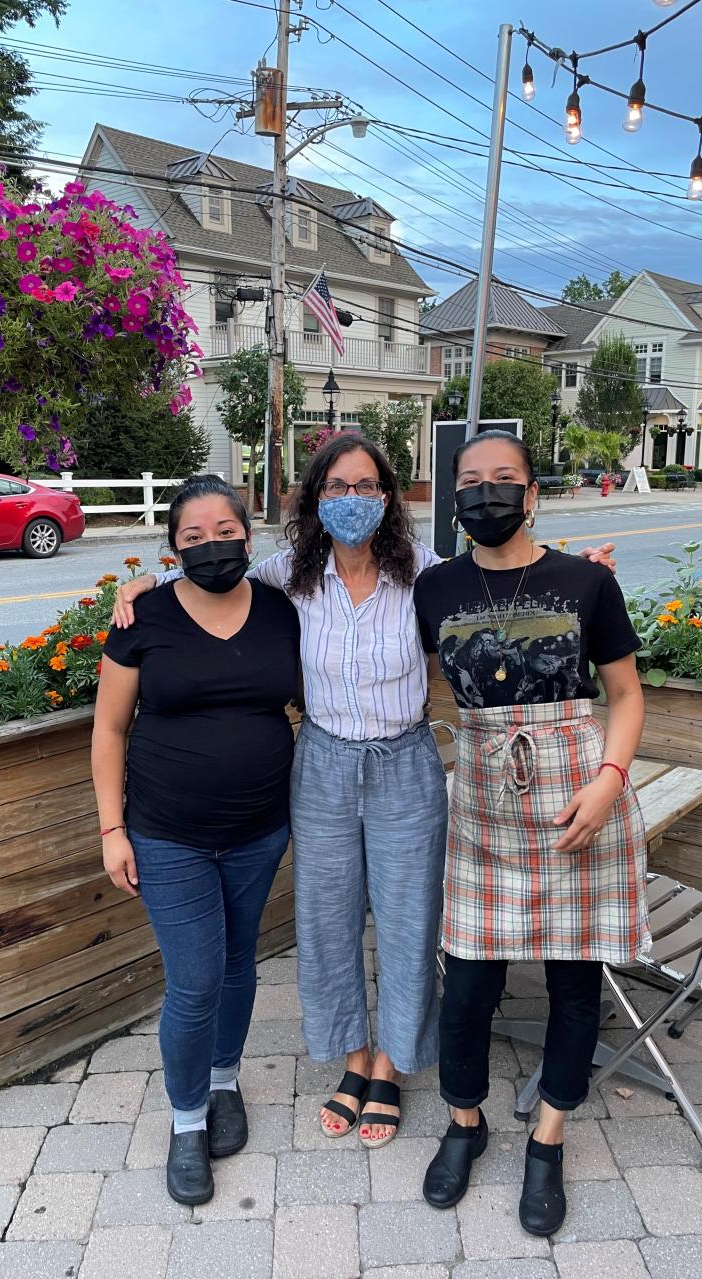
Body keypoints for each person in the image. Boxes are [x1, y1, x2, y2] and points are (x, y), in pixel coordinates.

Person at [113, 434, 616, 1150]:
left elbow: (502, 588)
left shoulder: (428, 577)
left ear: (388, 496)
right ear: (316, 499)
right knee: (326, 920)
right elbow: (206, 586)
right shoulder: (285, 576)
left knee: (410, 921)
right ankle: (352, 1057)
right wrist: (138, 587)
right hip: (319, 764)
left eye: (366, 486)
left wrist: (581, 571)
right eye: (338, 487)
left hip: (405, 762)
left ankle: (391, 1062)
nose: (353, 501)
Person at [413, 431, 649, 1237]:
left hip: (578, 794)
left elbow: (625, 694)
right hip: (482, 797)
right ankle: (465, 1121)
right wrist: (151, 589)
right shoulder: (434, 587)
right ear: (455, 498)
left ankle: (548, 1138)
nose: (486, 494)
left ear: (533, 492)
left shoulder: (587, 581)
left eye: (503, 480)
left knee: (573, 985)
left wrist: (609, 783)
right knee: (469, 983)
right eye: (471, 482)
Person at [92, 475, 300, 1206]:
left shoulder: (281, 609)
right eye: (192, 539)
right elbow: (109, 729)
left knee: (240, 963)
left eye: (225, 532)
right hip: (166, 834)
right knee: (196, 979)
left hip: (260, 829)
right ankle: (185, 1121)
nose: (212, 547)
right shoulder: (143, 615)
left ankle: (223, 1080)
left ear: (249, 533)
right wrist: (112, 829)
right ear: (171, 548)